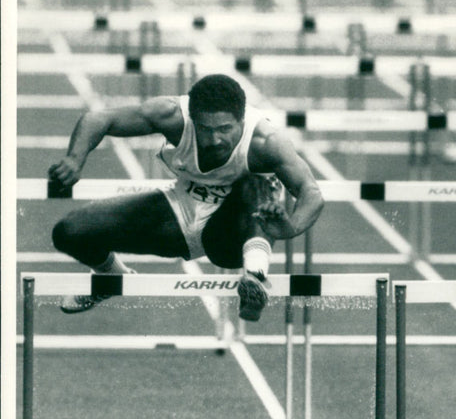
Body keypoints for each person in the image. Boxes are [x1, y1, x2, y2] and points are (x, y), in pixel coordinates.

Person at [49, 73, 324, 322]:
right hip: (181, 208)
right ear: (192, 118)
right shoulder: (171, 114)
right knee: (69, 232)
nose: (215, 139)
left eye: (225, 129)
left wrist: (290, 228)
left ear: (241, 119)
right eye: (206, 129)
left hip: (233, 233)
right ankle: (110, 276)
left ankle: (254, 278)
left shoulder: (266, 141)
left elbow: (311, 192)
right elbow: (100, 119)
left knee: (257, 185)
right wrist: (75, 159)